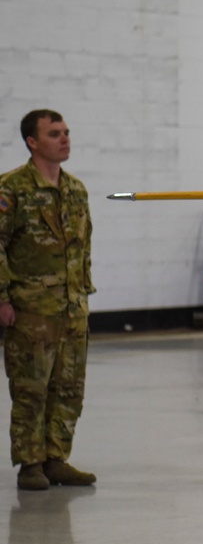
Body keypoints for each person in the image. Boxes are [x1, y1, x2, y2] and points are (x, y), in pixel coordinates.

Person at [0, 109, 96, 491]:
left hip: (72, 307)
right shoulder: (12, 189)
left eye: (67, 132)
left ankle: (56, 458)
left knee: (69, 387)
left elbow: (82, 249)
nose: (65, 139)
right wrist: (3, 297)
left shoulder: (76, 190)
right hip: (31, 309)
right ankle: (30, 464)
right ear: (32, 142)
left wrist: (83, 295)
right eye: (54, 133)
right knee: (30, 389)